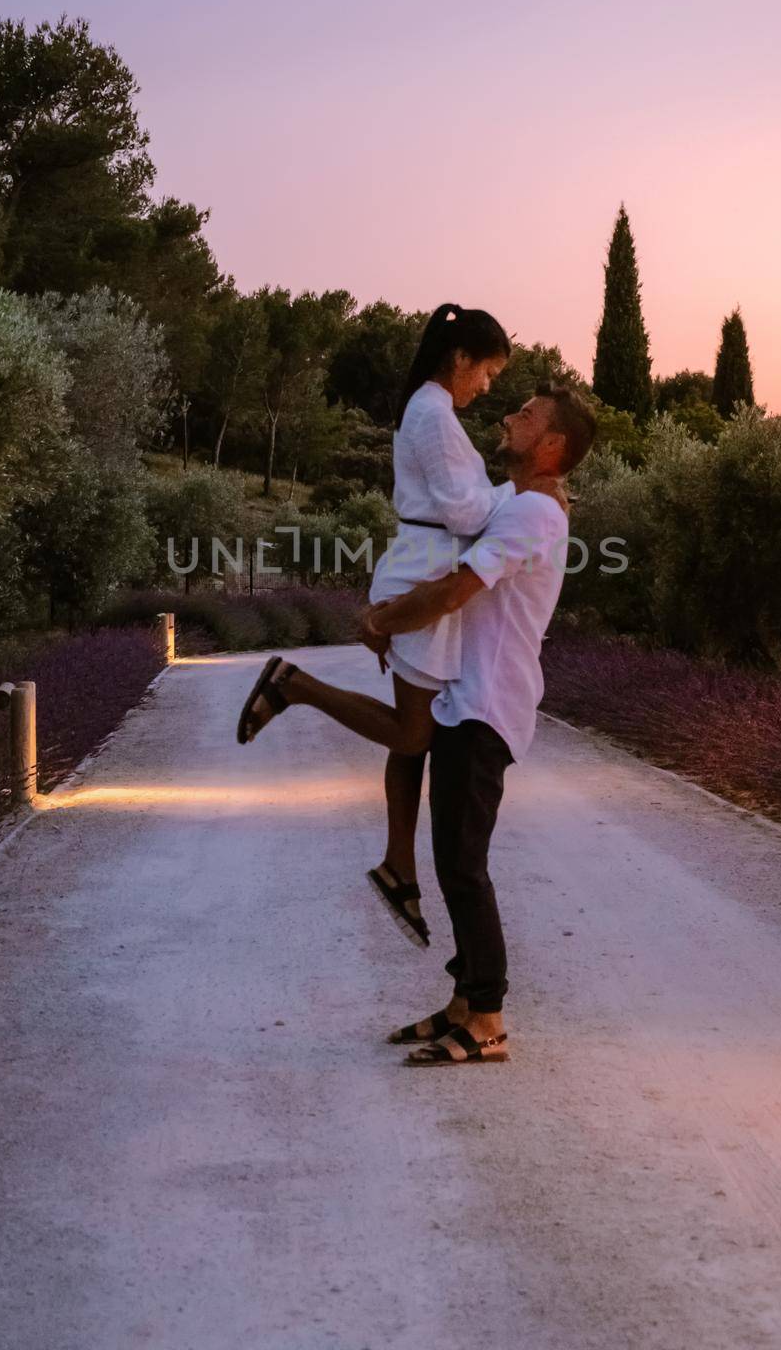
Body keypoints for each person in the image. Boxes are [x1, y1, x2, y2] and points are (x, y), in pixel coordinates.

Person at [237, 383, 598, 1065]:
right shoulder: (511, 500)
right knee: (452, 859)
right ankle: (464, 1001)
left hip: (487, 704)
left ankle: (487, 1020)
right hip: (464, 696)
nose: (508, 417)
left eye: (526, 415)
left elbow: (454, 589)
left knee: (464, 866)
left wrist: (381, 619)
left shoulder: (533, 513)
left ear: (552, 447)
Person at [240, 301, 513, 949]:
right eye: (488, 372)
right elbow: (463, 511)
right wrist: (519, 497)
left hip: (423, 567)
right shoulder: (433, 414)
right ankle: (293, 685)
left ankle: (399, 867)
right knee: (413, 731)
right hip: (423, 574)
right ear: (460, 359)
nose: (488, 385)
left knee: (413, 736)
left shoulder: (431, 411)